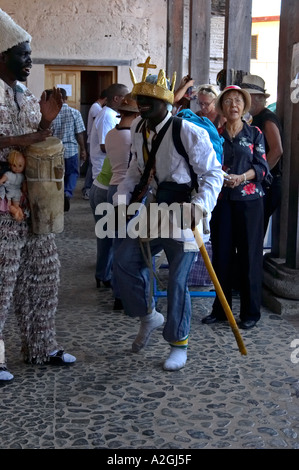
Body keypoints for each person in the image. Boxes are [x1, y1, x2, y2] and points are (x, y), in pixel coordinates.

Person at [113, 57, 223, 371]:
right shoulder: (138, 128)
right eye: (139, 99)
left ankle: (178, 342)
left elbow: (213, 174)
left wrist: (200, 207)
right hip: (156, 208)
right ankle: (149, 315)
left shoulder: (187, 131)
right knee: (124, 261)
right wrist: (123, 201)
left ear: (166, 103)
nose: (142, 104)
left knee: (177, 280)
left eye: (149, 100)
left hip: (186, 213)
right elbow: (135, 172)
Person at [0, 9, 76, 382]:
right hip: (2, 205)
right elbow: (23, 143)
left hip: (32, 204)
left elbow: (38, 140)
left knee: (44, 275)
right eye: (23, 54)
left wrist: (46, 121)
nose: (30, 60)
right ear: (2, 55)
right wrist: (23, 139)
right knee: (1, 282)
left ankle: (40, 348)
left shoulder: (26, 95)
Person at [201, 85, 270, 330]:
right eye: (228, 101)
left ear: (244, 106)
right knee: (222, 256)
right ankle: (221, 310)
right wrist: (220, 175)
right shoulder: (214, 134)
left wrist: (241, 177)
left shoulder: (254, 133)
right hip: (222, 202)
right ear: (221, 107)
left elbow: (262, 167)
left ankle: (251, 313)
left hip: (250, 202)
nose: (233, 105)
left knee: (250, 256)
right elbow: (206, 165)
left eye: (238, 101)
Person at [88, 83, 128, 289]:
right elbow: (104, 145)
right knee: (114, 238)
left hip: (101, 184)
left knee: (105, 236)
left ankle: (103, 274)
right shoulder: (120, 129)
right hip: (106, 187)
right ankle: (108, 276)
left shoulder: (117, 128)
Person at [106, 93, 140, 309]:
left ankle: (118, 293)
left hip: (112, 188)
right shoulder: (132, 138)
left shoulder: (111, 134)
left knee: (118, 244)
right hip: (127, 193)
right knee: (130, 247)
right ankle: (129, 295)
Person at [240, 74, 283, 236]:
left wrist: (261, 175)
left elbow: (277, 150)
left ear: (257, 98)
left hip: (267, 185)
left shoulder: (267, 118)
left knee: (255, 232)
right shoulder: (255, 118)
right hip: (259, 183)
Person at [45, 87, 87, 212]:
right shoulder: (75, 113)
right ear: (66, 98)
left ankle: (56, 196)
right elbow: (79, 133)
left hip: (54, 151)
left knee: (56, 175)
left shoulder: (49, 114)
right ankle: (67, 193)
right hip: (71, 150)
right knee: (72, 173)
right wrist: (83, 149)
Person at [89, 83, 129, 181]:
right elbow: (104, 146)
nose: (127, 101)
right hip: (105, 174)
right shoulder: (107, 116)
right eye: (125, 97)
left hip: (113, 174)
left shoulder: (113, 114)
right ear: (116, 98)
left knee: (121, 194)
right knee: (120, 195)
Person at [82, 89, 108, 200]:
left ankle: (89, 188)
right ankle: (88, 189)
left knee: (91, 165)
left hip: (93, 140)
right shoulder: (96, 108)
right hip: (93, 141)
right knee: (92, 166)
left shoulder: (97, 107)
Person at [0, 150, 26, 221]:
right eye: (14, 165)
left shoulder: (8, 174)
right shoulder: (22, 176)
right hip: (17, 193)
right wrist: (24, 191)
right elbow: (24, 187)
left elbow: (1, 181)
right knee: (16, 205)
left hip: (11, 193)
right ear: (10, 165)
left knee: (9, 206)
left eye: (20, 166)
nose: (17, 168)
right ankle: (20, 214)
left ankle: (17, 213)